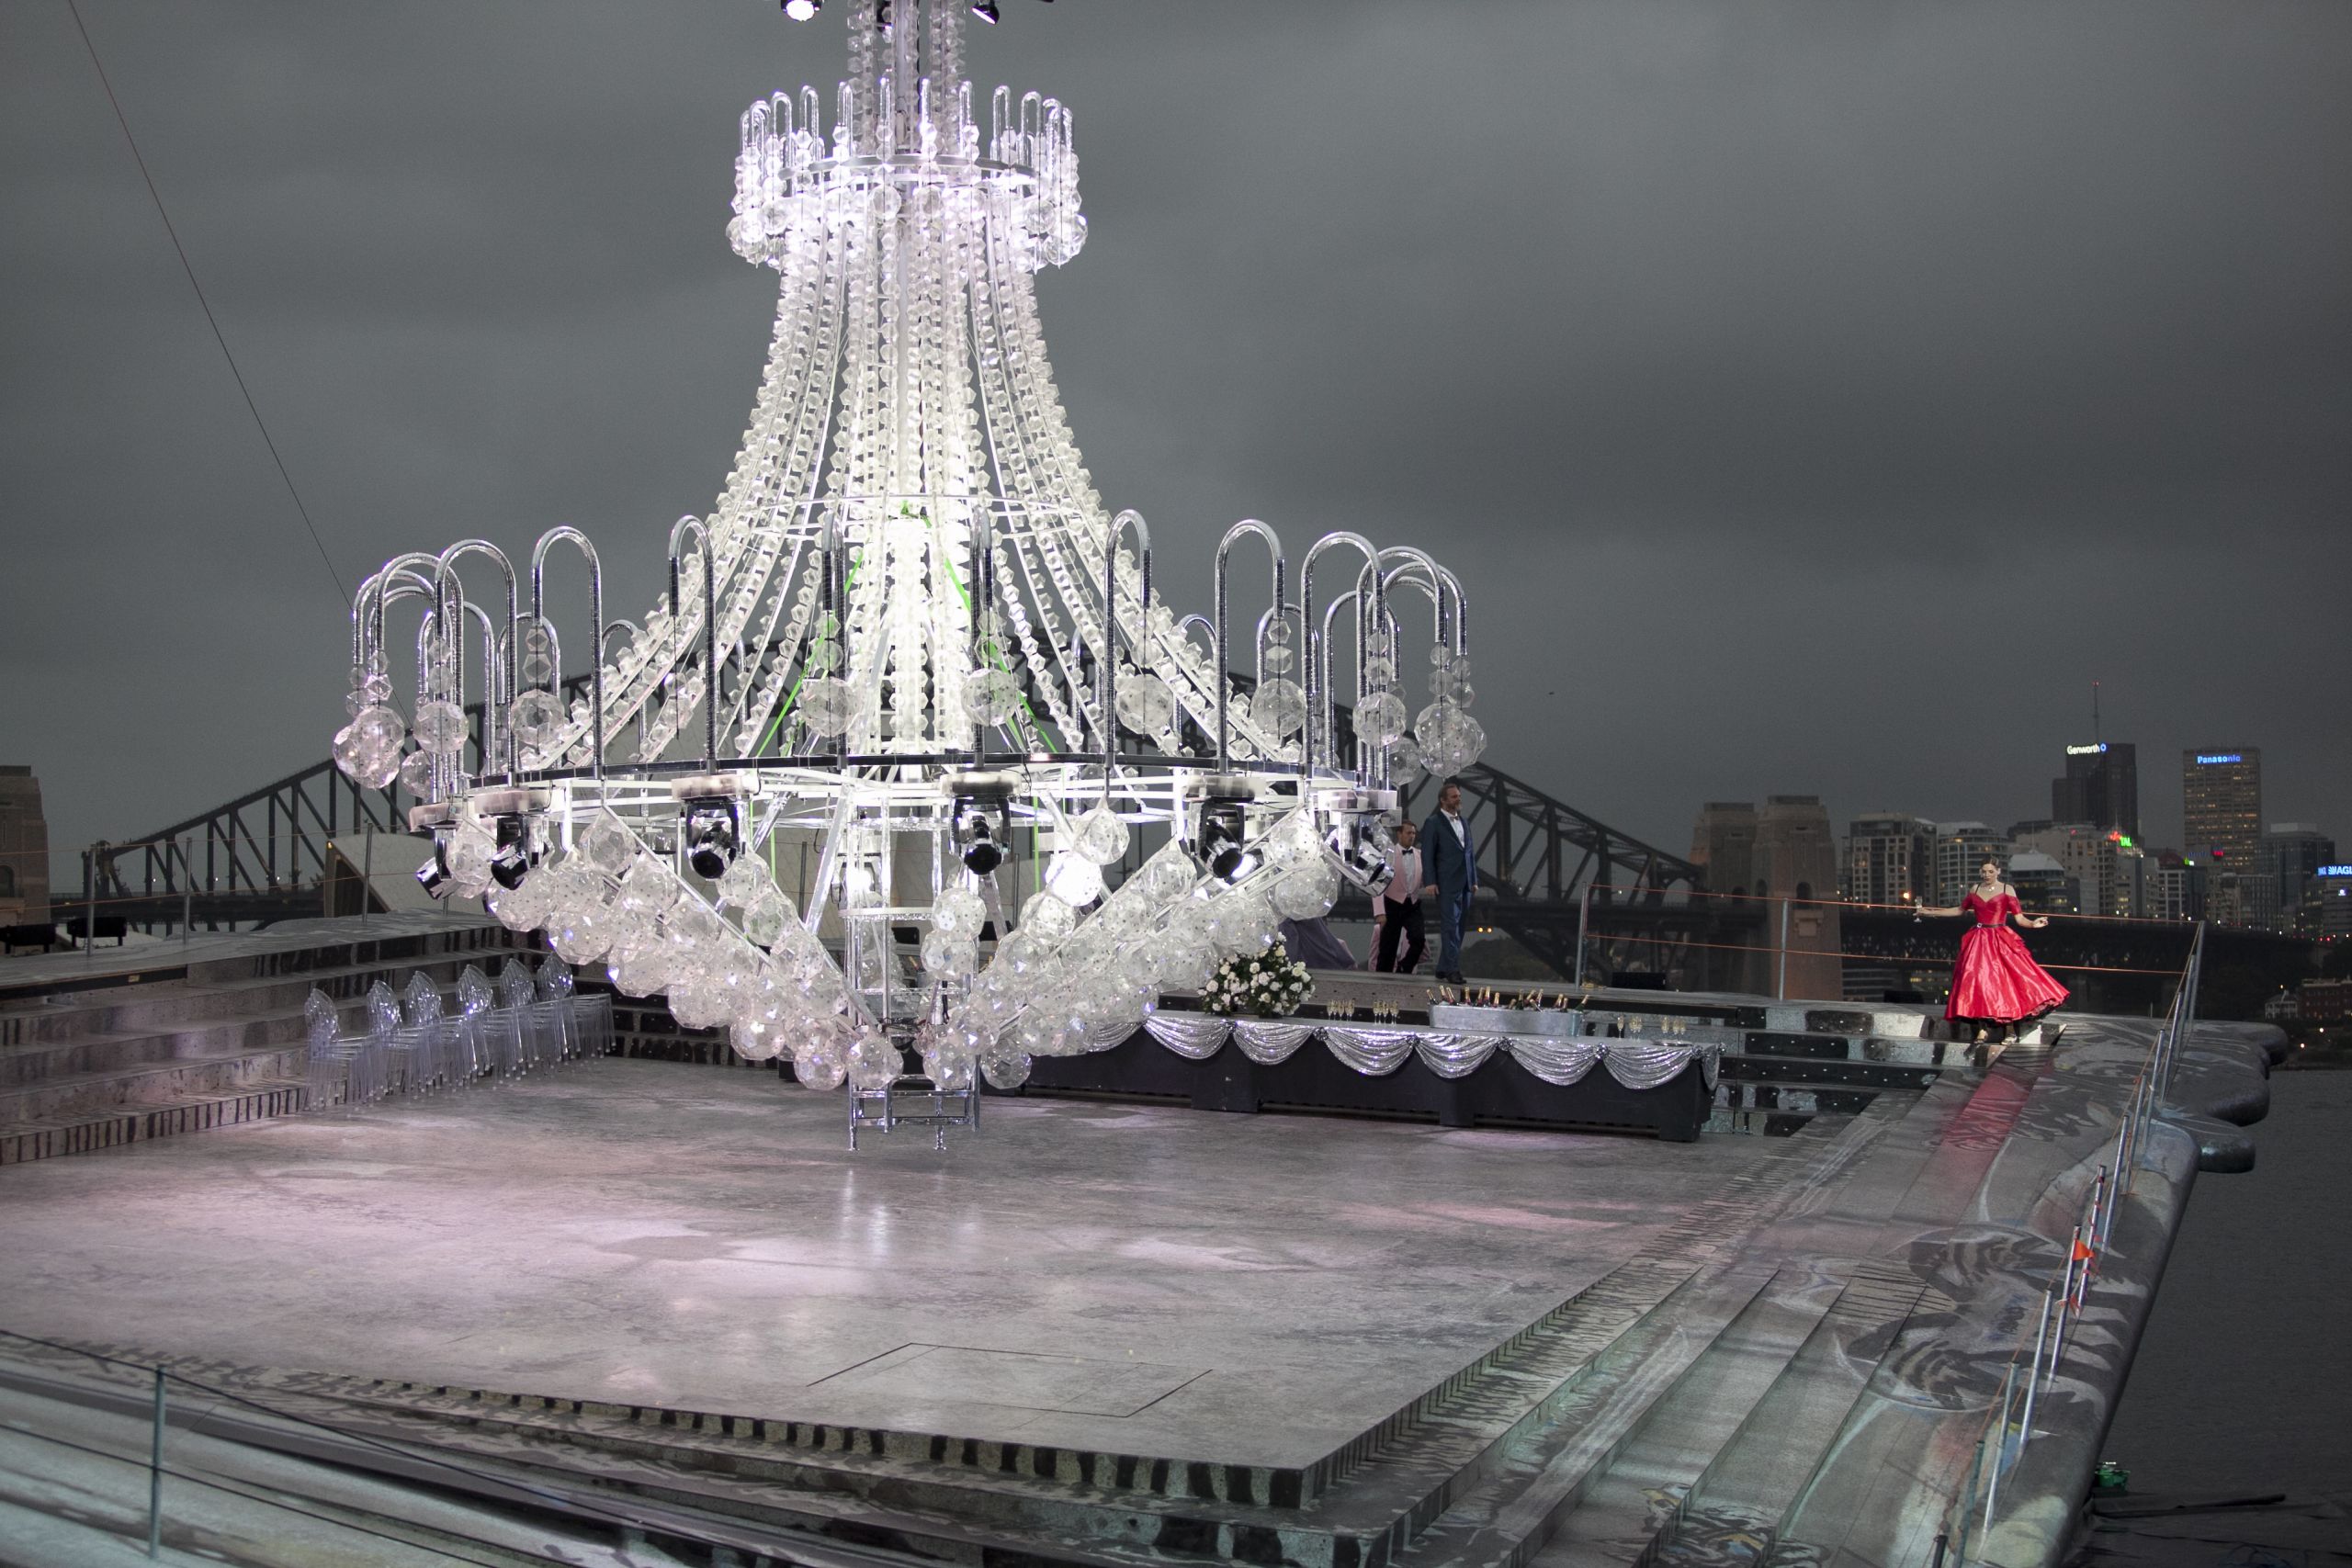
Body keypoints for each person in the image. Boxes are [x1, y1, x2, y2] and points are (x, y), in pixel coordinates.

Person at [1917, 858, 2070, 1043]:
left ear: (1998, 871)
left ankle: (2010, 1030)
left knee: (2004, 983)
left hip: (2000, 939)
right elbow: (1959, 910)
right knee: (1978, 982)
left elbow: (2020, 919)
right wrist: (1929, 912)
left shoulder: (2007, 890)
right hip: (1979, 940)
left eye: (1990, 871)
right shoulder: (1975, 889)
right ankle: (1982, 1029)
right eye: (1983, 871)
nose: (1986, 875)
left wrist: (2033, 924)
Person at [1419, 779, 1477, 984]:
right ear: (1443, 801)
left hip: (1465, 883)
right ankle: (1453, 970)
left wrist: (1474, 879)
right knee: (1450, 926)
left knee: (1460, 927)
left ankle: (1443, 967)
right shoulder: (1433, 823)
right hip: (1445, 883)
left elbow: (1469, 853)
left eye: (1459, 796)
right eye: (1454, 797)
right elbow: (1427, 854)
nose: (1458, 799)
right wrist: (1430, 881)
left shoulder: (1464, 822)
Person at [1373, 820, 1425, 974]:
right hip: (1392, 903)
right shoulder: (1388, 855)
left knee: (1419, 939)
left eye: (1414, 833)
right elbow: (1377, 883)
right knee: (1388, 947)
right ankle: (1381, 981)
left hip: (1412, 903)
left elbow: (1421, 879)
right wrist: (1380, 912)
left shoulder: (1420, 855)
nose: (1412, 836)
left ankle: (1405, 967)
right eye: (1408, 833)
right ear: (1399, 834)